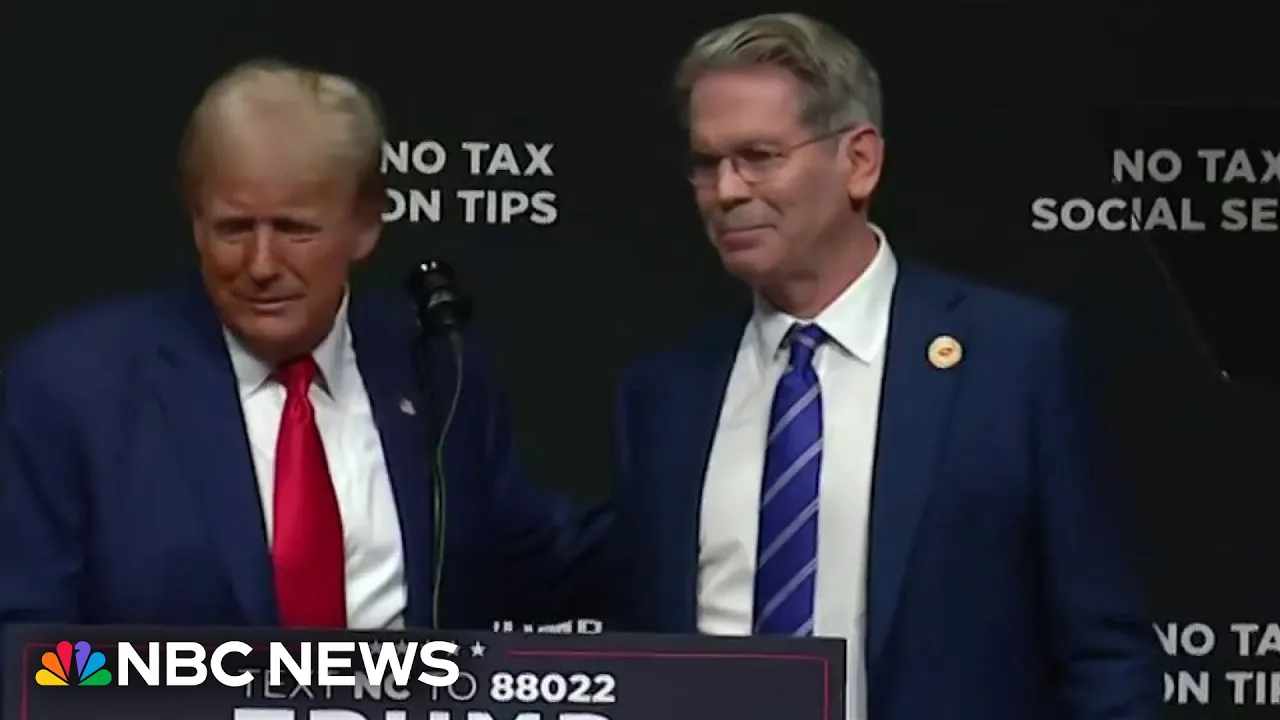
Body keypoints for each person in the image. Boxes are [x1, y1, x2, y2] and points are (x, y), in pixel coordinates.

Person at [607, 13, 1161, 720]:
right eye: (707, 163)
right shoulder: (666, 394)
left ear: (860, 161)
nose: (727, 191)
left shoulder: (1014, 362)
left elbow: (1104, 656)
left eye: (759, 156)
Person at [0, 60, 607, 637]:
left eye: (295, 229)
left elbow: (535, 564)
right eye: (234, 228)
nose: (262, 264)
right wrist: (144, 676)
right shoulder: (73, 387)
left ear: (366, 223)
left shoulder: (432, 366)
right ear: (196, 220)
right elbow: (30, 650)